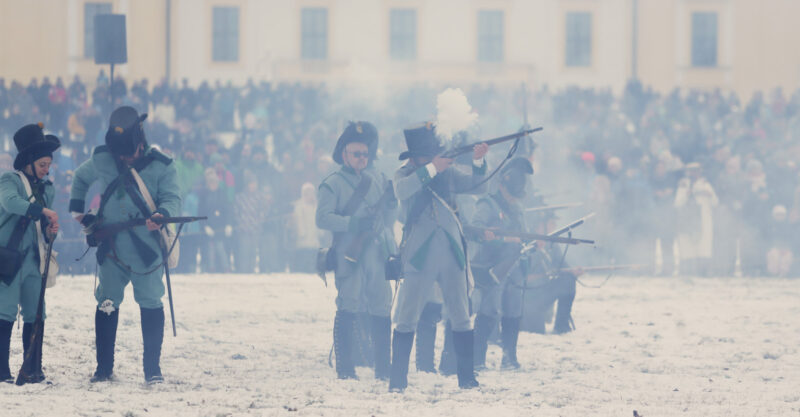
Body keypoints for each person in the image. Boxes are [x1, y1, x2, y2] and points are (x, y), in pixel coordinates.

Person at [69, 106, 181, 384]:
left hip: (147, 250)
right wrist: (79, 214)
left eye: (127, 153)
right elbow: (80, 178)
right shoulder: (102, 158)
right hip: (112, 248)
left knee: (151, 302)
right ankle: (104, 369)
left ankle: (152, 370)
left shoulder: (163, 165)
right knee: (106, 301)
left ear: (140, 144)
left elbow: (171, 198)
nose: (122, 157)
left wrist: (162, 215)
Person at [389, 122, 488, 392]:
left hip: (452, 253)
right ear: (417, 157)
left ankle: (466, 378)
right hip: (419, 256)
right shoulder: (404, 174)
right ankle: (397, 381)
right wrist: (433, 168)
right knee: (407, 317)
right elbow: (402, 191)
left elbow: (478, 186)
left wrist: (479, 161)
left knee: (461, 316)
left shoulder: (448, 173)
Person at [316, 121, 396, 381]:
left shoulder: (378, 180)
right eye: (356, 154)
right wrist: (353, 223)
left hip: (376, 253)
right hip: (348, 254)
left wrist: (391, 205)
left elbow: (388, 219)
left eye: (365, 153)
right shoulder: (332, 183)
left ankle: (383, 368)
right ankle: (346, 368)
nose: (362, 158)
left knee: (381, 306)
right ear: (344, 155)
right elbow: (322, 218)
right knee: (348, 305)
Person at [0, 123, 59, 384]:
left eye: (49, 165)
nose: (47, 169)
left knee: (36, 313)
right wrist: (42, 211)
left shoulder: (48, 189)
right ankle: (1, 371)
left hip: (35, 260)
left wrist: (50, 229)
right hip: (8, 259)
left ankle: (32, 368)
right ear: (29, 162)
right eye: (43, 164)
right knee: (4, 312)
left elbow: (43, 226)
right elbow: (10, 202)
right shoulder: (9, 180)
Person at [469, 157, 535, 370]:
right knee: (489, 310)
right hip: (493, 268)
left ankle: (509, 357)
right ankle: (477, 360)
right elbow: (476, 230)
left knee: (513, 310)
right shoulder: (487, 204)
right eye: (511, 193)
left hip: (514, 267)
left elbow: (524, 235)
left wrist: (527, 244)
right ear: (502, 185)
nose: (514, 198)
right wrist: (504, 239)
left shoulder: (518, 209)